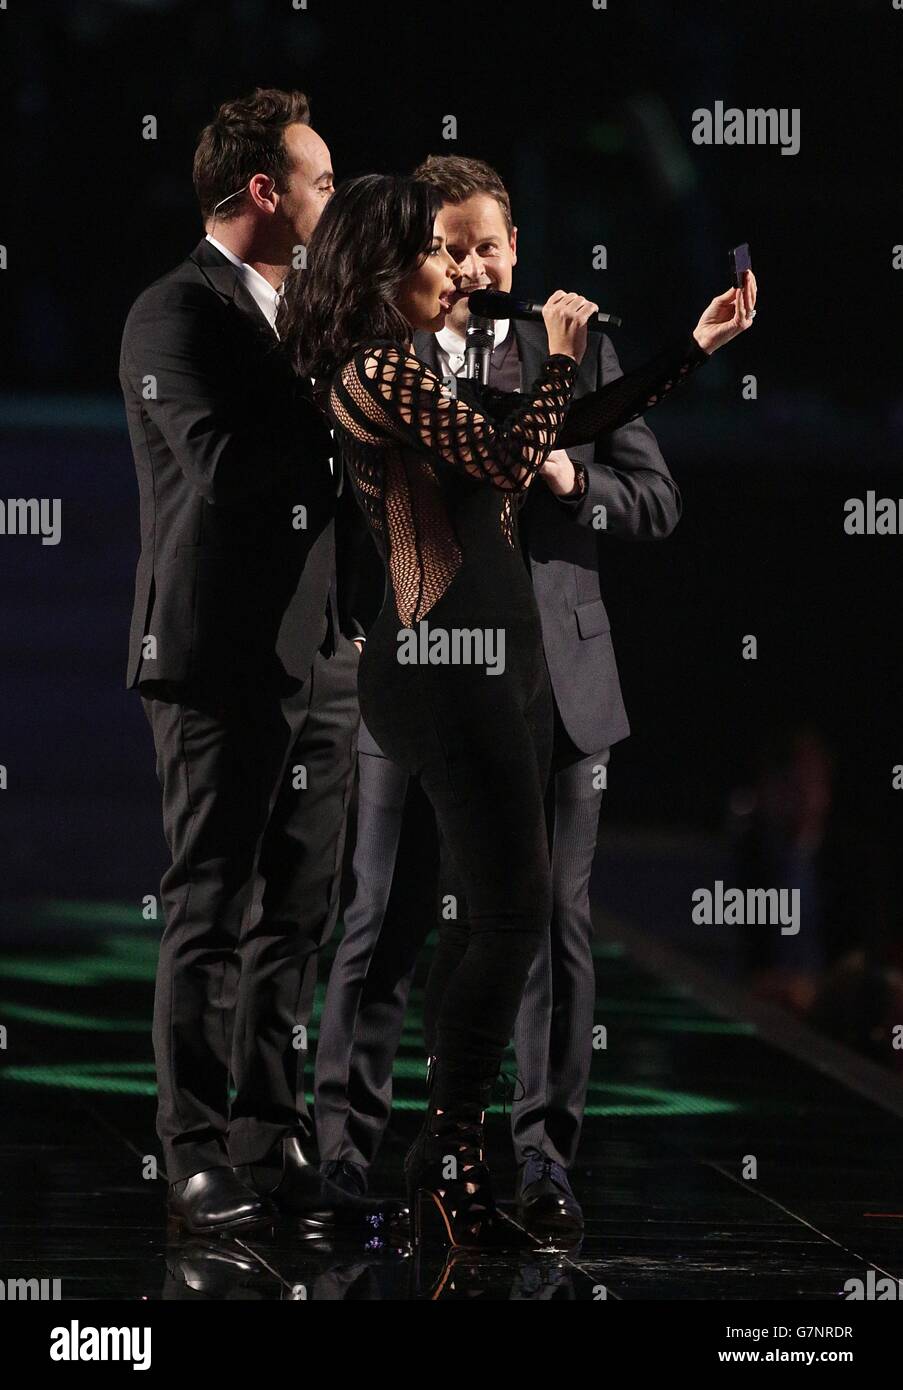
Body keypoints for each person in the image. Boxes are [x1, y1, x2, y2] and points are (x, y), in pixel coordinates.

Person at [281, 173, 756, 1247]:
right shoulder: (372, 373)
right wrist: (552, 351)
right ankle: (433, 1147)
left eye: (469, 250)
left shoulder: (410, 369)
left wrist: (684, 354)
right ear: (385, 268)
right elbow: (508, 458)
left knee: (507, 915)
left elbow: (569, 429)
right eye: (438, 255)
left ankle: (451, 1149)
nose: (459, 271)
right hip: (439, 672)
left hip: (500, 671)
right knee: (488, 916)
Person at [120, 89, 394, 1235]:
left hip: (321, 653)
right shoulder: (174, 314)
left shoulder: (307, 322)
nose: (335, 203)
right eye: (322, 182)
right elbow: (231, 472)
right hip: (217, 662)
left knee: (302, 908)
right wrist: (338, 396)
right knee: (212, 904)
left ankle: (268, 1131)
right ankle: (189, 1145)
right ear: (268, 192)